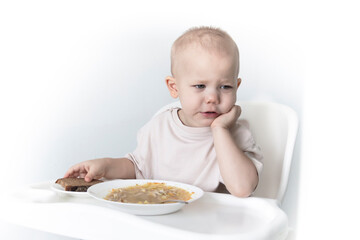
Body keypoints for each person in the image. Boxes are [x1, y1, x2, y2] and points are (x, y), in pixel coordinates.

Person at [64, 26, 263, 197]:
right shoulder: (160, 127)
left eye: (225, 87)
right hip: (163, 223)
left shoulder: (235, 133)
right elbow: (137, 168)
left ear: (237, 87)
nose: (212, 97)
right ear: (174, 87)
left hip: (211, 228)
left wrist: (220, 130)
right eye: (200, 86)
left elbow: (242, 188)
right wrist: (105, 166)